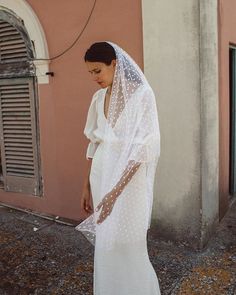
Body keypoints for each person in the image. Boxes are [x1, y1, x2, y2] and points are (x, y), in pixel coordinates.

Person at [76, 41, 161, 295]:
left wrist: (115, 193)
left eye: (98, 71)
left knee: (130, 244)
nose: (94, 78)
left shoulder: (142, 96)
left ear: (115, 64)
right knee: (107, 244)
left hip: (128, 184)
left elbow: (143, 149)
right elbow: (94, 144)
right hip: (101, 177)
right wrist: (86, 186)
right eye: (90, 72)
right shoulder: (98, 98)